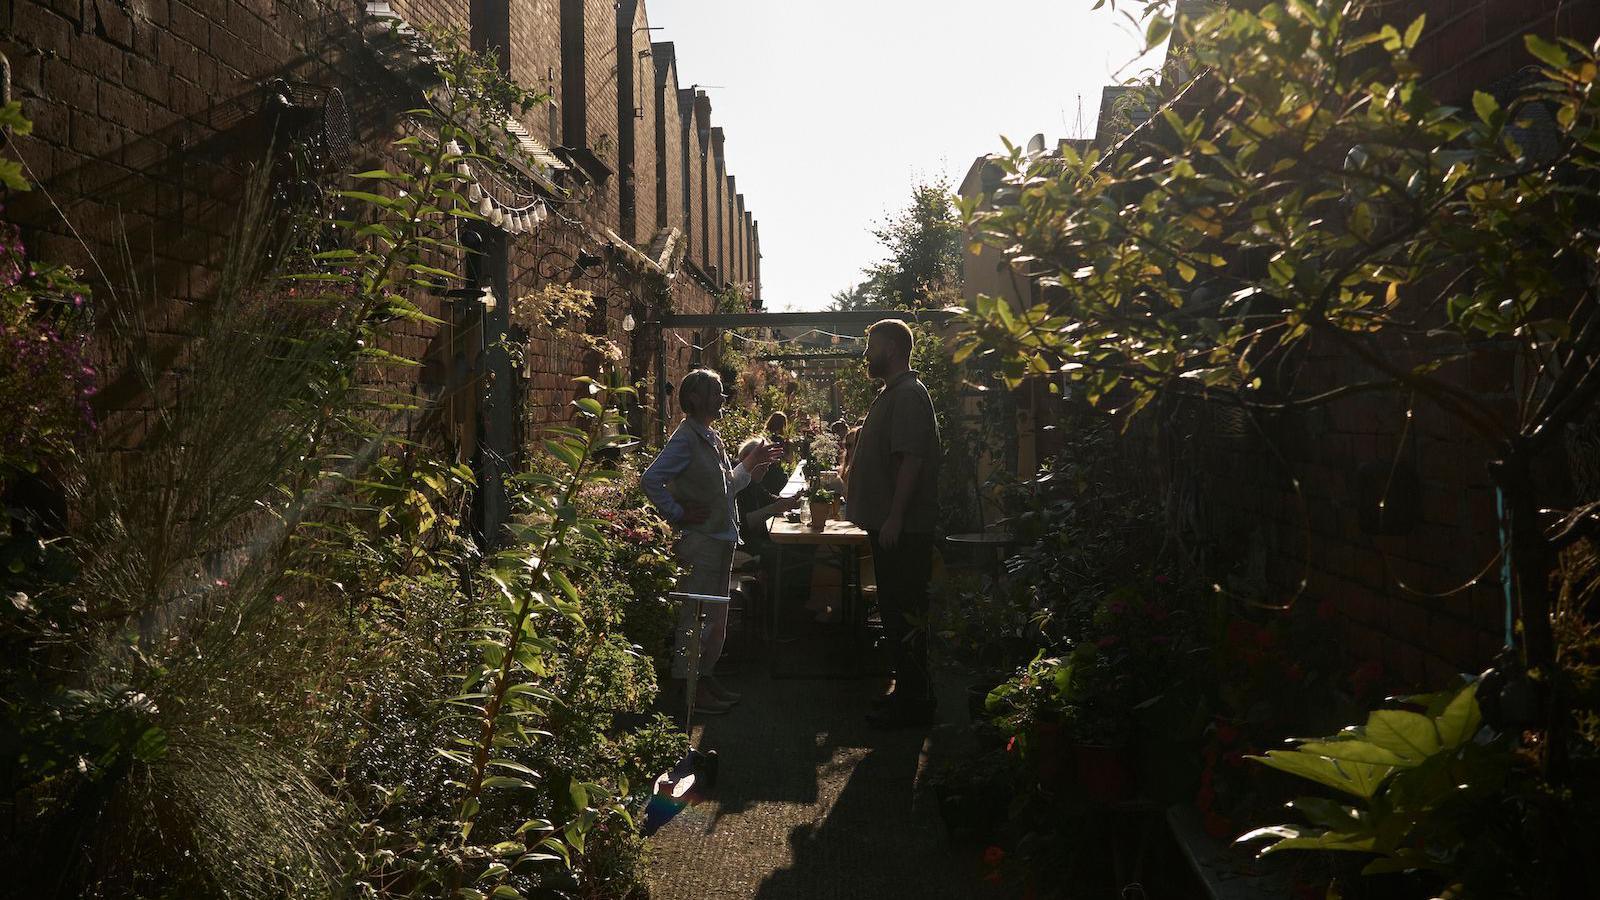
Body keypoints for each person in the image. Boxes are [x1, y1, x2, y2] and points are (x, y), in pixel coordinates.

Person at [642, 369, 782, 714]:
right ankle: (690, 690)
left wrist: (749, 464)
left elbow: (726, 488)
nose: (723, 399)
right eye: (716, 393)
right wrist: (677, 512)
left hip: (721, 538)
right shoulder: (686, 438)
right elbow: (651, 479)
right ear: (694, 399)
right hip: (701, 543)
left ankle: (704, 677)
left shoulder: (710, 436)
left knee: (715, 619)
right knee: (696, 619)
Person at [846, 319, 942, 728]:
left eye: (872, 345)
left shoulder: (908, 395)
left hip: (901, 530)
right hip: (892, 527)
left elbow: (911, 461)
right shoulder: (894, 393)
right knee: (896, 613)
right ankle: (907, 695)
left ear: (892, 348)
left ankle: (914, 705)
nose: (867, 354)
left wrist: (895, 518)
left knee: (904, 614)